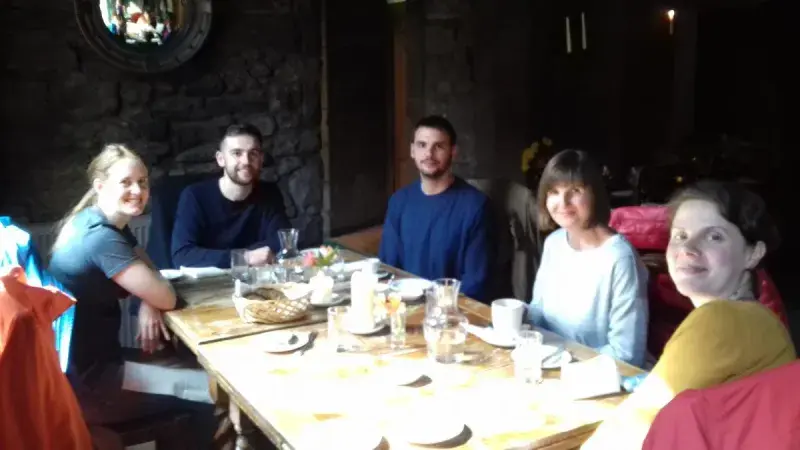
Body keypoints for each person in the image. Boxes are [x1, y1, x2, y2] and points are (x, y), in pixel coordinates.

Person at [581, 181, 797, 450]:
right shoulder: (757, 318)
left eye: (714, 236)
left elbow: (629, 431)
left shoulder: (722, 321)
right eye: (680, 235)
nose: (688, 248)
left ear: (753, 254)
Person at [48, 144, 217, 448]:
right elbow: (166, 295)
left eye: (143, 182)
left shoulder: (96, 220)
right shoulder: (101, 239)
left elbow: (150, 269)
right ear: (100, 186)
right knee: (210, 389)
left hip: (78, 371)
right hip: (92, 385)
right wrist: (154, 297)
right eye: (125, 182)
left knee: (182, 365)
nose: (137, 190)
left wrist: (148, 300)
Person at [527, 150, 648, 367]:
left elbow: (627, 354)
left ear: (595, 194)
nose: (562, 202)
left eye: (575, 190)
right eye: (554, 191)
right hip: (547, 365)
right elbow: (538, 311)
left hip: (598, 380)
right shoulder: (554, 242)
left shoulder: (619, 259)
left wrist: (563, 361)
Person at [378, 115, 492, 301]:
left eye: (438, 146)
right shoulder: (399, 201)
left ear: (453, 152)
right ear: (412, 150)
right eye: (422, 145)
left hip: (451, 313)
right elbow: (388, 268)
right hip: (404, 306)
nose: (429, 154)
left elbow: (476, 283)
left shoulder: (476, 206)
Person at [171, 123, 290, 269]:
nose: (246, 161)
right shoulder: (195, 196)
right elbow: (183, 256)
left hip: (258, 280)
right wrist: (246, 257)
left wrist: (217, 256)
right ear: (221, 159)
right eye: (237, 153)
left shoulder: (270, 192)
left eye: (253, 153)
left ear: (261, 158)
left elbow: (283, 241)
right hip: (210, 285)